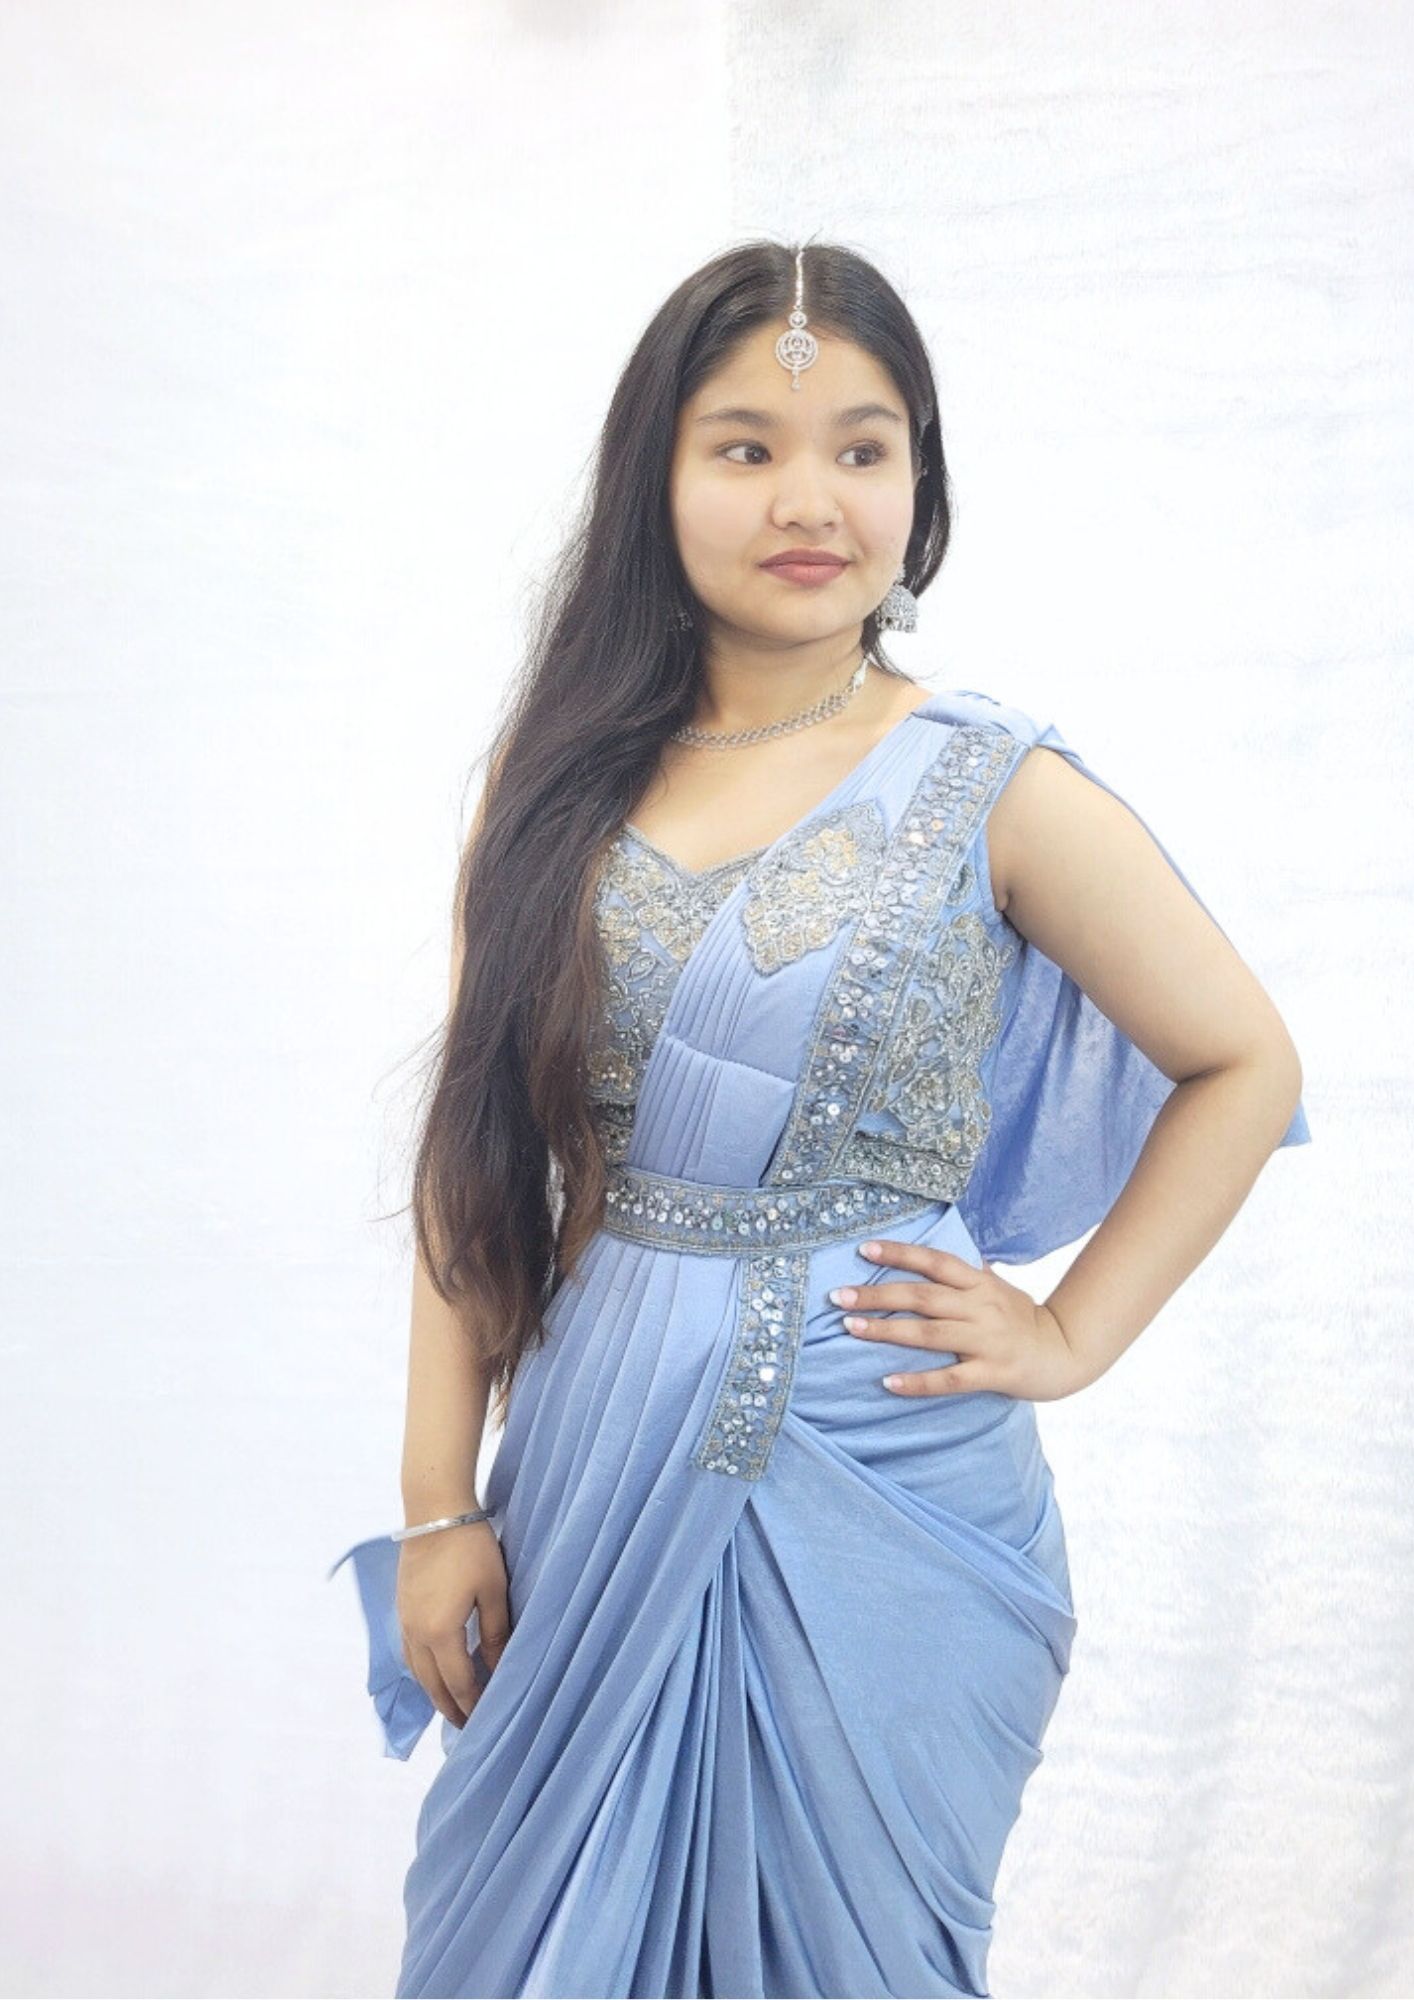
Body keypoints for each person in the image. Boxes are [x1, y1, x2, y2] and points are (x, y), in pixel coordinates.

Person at [328, 238, 1310, 1999]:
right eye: (746, 446)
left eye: (862, 448)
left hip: (892, 1488)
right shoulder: (553, 786)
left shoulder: (993, 783)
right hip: (595, 1469)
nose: (809, 499)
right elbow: (477, 1162)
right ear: (656, 476)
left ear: (919, 486)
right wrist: (432, 1502)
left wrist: (1069, 1332)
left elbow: (1243, 1062)